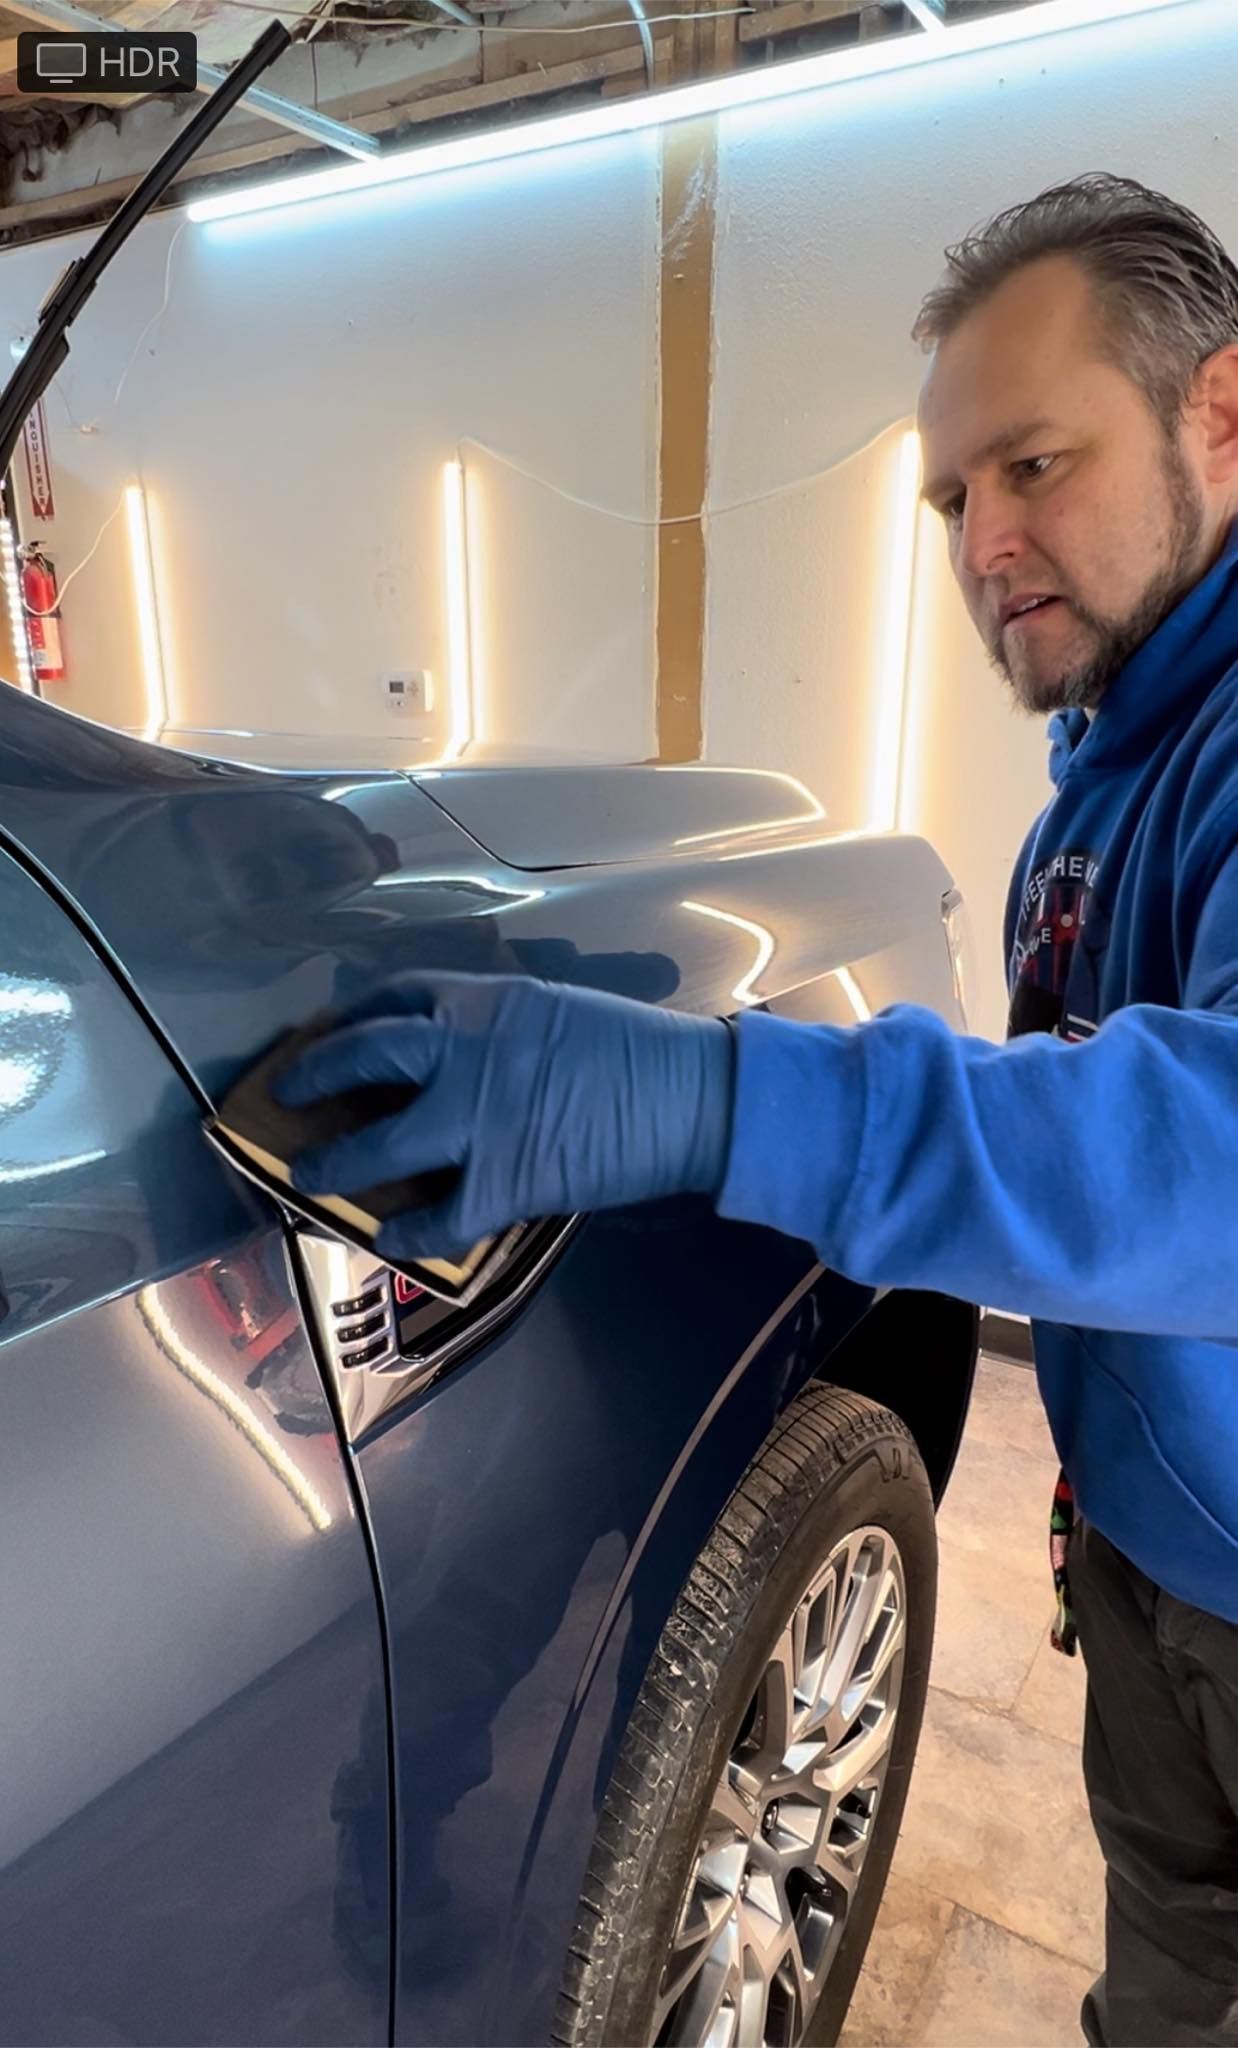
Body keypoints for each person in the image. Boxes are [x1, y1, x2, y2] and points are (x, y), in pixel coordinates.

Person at [274, 175, 1238, 2047]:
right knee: (1172, 1978)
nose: (983, 542)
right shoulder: (1104, 769)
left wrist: (716, 1095)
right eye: (956, 497)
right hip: (1150, 1567)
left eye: (1036, 464)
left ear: (1223, 410)